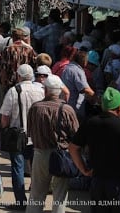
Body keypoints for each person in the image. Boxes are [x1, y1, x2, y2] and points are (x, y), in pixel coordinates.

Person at [69, 87, 120, 213]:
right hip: (119, 184)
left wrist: (84, 170)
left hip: (97, 182)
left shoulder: (90, 123)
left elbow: (73, 148)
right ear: (119, 107)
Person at [26, 75, 79, 213]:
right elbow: (76, 135)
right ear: (60, 90)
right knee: (60, 195)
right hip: (61, 154)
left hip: (39, 153)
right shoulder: (67, 110)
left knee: (37, 193)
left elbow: (30, 132)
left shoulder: (35, 108)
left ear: (46, 90)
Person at [0, 64, 45, 210]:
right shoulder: (41, 90)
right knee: (37, 170)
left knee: (18, 168)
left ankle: (21, 201)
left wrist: (5, 130)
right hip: (37, 135)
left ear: (18, 76)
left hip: (18, 135)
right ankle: (37, 201)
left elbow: (5, 116)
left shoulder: (14, 91)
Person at [61, 50, 97, 122]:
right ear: (83, 61)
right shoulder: (77, 70)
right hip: (74, 107)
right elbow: (85, 89)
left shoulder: (67, 68)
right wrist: (96, 98)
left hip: (66, 104)